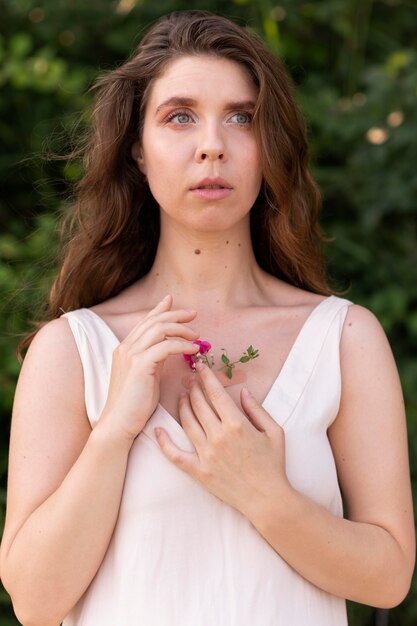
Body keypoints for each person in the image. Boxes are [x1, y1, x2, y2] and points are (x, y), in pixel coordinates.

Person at [0, 10, 414, 626]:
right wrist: (115, 428)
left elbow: (388, 578)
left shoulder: (345, 338)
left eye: (242, 117)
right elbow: (34, 603)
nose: (212, 143)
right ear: (138, 150)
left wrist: (264, 495)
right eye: (180, 116)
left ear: (269, 144)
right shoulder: (73, 350)